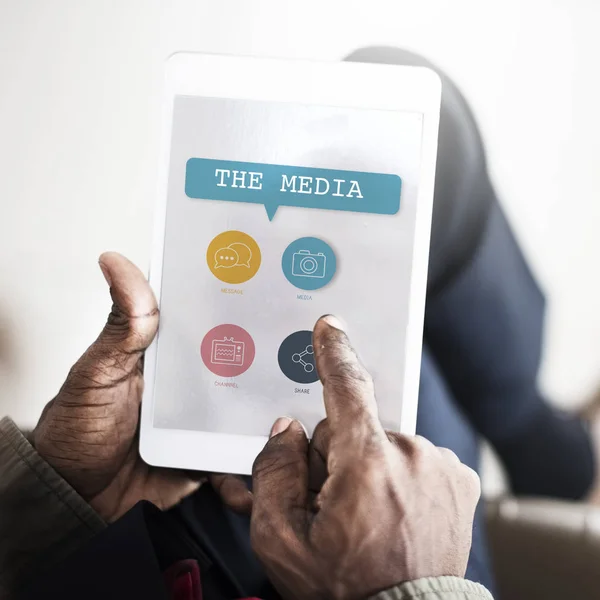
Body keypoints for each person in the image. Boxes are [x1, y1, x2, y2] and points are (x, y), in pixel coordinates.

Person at [0, 253, 489, 600]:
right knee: (401, 336)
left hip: (126, 549)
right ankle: (540, 439)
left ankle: (538, 436)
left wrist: (60, 509)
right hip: (317, 569)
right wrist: (412, 590)